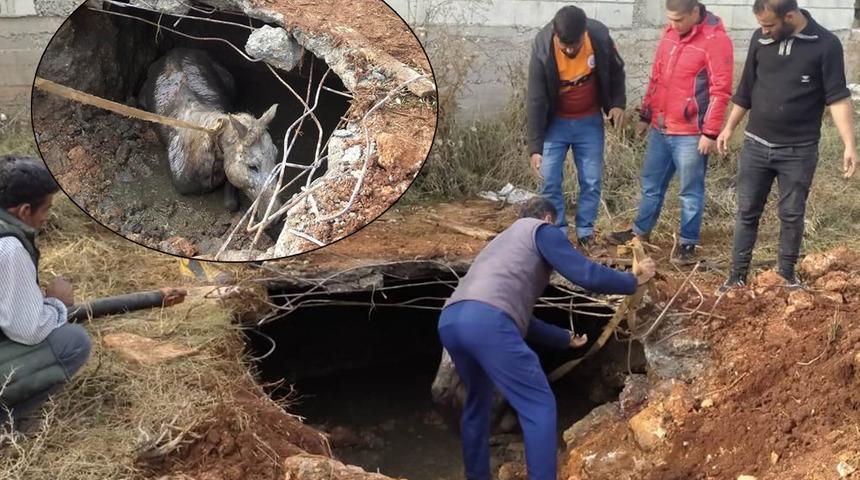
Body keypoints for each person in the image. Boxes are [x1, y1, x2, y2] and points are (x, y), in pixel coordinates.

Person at [438, 197, 656, 480]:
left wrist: (563, 339)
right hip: (488, 321)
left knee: (477, 403)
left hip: (452, 320)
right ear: (549, 218)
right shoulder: (541, 230)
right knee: (538, 405)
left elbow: (515, 316)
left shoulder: (501, 243)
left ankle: (477, 476)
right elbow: (584, 274)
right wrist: (632, 280)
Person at [716, 0, 857, 291]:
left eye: (769, 25)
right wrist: (729, 127)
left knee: (792, 215)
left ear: (790, 16)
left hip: (799, 151)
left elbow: (837, 98)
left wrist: (849, 145)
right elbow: (746, 89)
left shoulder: (825, 44)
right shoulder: (760, 39)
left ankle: (786, 275)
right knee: (746, 212)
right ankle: (736, 276)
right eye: (761, 25)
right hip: (756, 145)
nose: (764, 31)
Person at [607, 0, 733, 266]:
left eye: (679, 20)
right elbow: (657, 78)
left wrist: (710, 133)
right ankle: (640, 233)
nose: (673, 25)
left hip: (691, 133)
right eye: (670, 19)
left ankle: (687, 243)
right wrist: (646, 115)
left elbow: (720, 92)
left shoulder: (715, 40)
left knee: (690, 190)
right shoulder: (669, 35)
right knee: (651, 184)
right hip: (661, 127)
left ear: (695, 12)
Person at [0, 154, 92, 429]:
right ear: (24, 210)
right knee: (73, 342)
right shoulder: (9, 249)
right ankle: (7, 421)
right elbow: (28, 331)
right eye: (46, 210)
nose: (46, 218)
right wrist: (56, 303)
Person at [527, 5, 626, 248]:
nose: (570, 50)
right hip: (555, 124)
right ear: (555, 34)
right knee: (549, 179)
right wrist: (535, 148)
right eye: (565, 45)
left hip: (589, 122)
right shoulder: (542, 48)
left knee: (591, 180)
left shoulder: (599, 37)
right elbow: (536, 99)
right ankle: (557, 232)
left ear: (584, 33)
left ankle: (585, 232)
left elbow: (616, 71)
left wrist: (617, 104)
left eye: (575, 44)